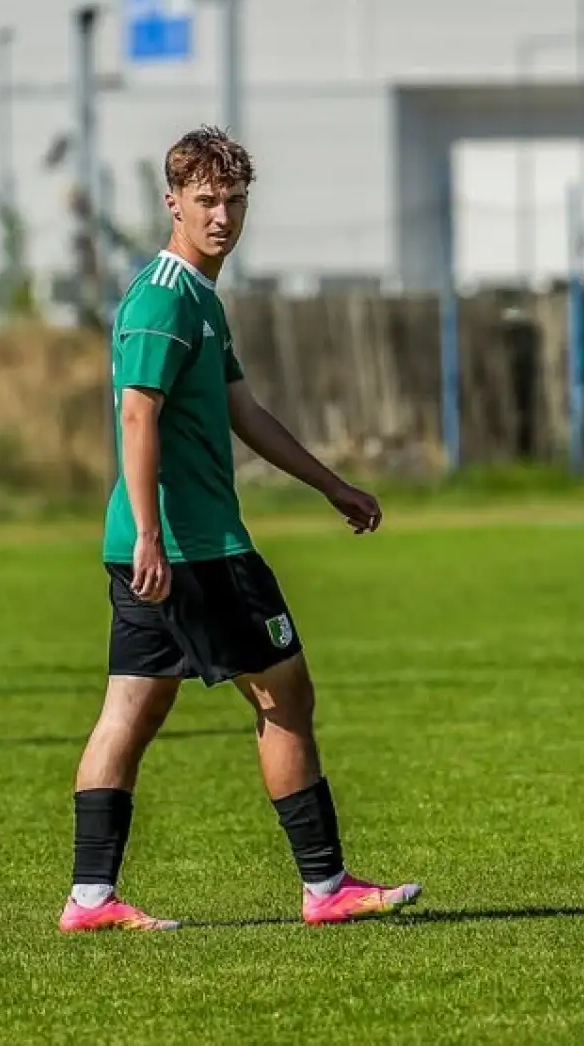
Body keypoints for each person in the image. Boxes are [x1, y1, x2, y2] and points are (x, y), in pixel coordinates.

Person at [59, 126, 422, 932]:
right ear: (173, 203)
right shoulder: (163, 295)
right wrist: (154, 534)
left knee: (131, 711)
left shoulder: (198, 298)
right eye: (206, 201)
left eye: (233, 200)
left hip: (154, 547)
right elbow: (135, 413)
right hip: (193, 550)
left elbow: (244, 413)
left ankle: (90, 900)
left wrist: (331, 485)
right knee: (286, 693)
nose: (221, 215)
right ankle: (326, 887)